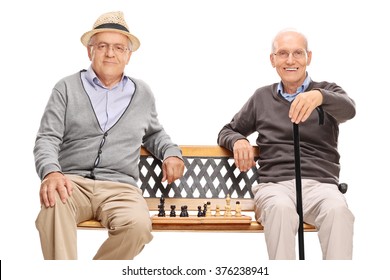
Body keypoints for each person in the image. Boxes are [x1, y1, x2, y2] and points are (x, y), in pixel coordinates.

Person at [33, 11, 185, 260]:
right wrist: (51, 171)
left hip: (120, 187)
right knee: (52, 208)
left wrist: (171, 153)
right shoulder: (66, 88)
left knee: (138, 226)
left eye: (118, 47)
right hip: (72, 183)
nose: (110, 53)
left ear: (128, 54)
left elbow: (155, 133)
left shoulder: (142, 93)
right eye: (102, 46)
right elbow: (47, 137)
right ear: (89, 51)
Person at [217, 29, 355, 260]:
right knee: (280, 210)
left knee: (338, 212)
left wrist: (320, 97)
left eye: (297, 53)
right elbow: (227, 131)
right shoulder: (262, 97)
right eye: (282, 53)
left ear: (308, 57)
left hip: (321, 186)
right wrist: (239, 139)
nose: (290, 60)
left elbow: (349, 110)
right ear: (273, 60)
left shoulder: (328, 91)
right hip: (275, 186)